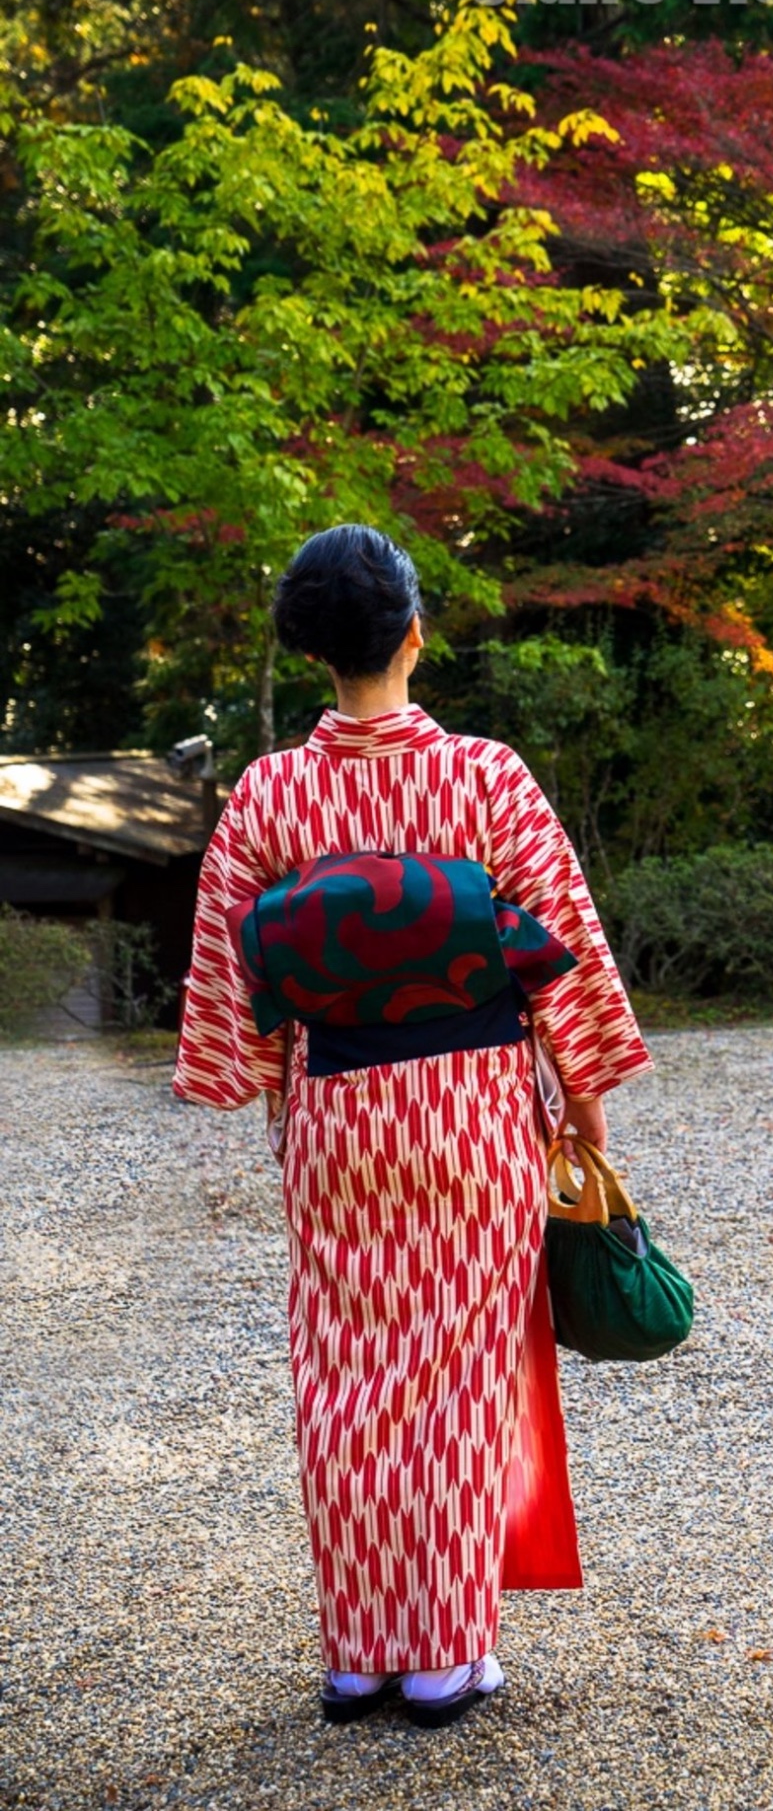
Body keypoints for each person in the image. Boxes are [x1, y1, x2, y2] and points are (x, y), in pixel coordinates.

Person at [173, 525, 653, 1727]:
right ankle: (443, 1656)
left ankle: (357, 1656)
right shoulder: (486, 777)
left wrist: (285, 1091)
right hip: (477, 1102)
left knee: (345, 1374)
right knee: (459, 1371)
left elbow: (239, 991)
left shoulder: (268, 792)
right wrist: (584, 1120)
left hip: (336, 1111)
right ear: (414, 634)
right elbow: (567, 973)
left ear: (313, 650)